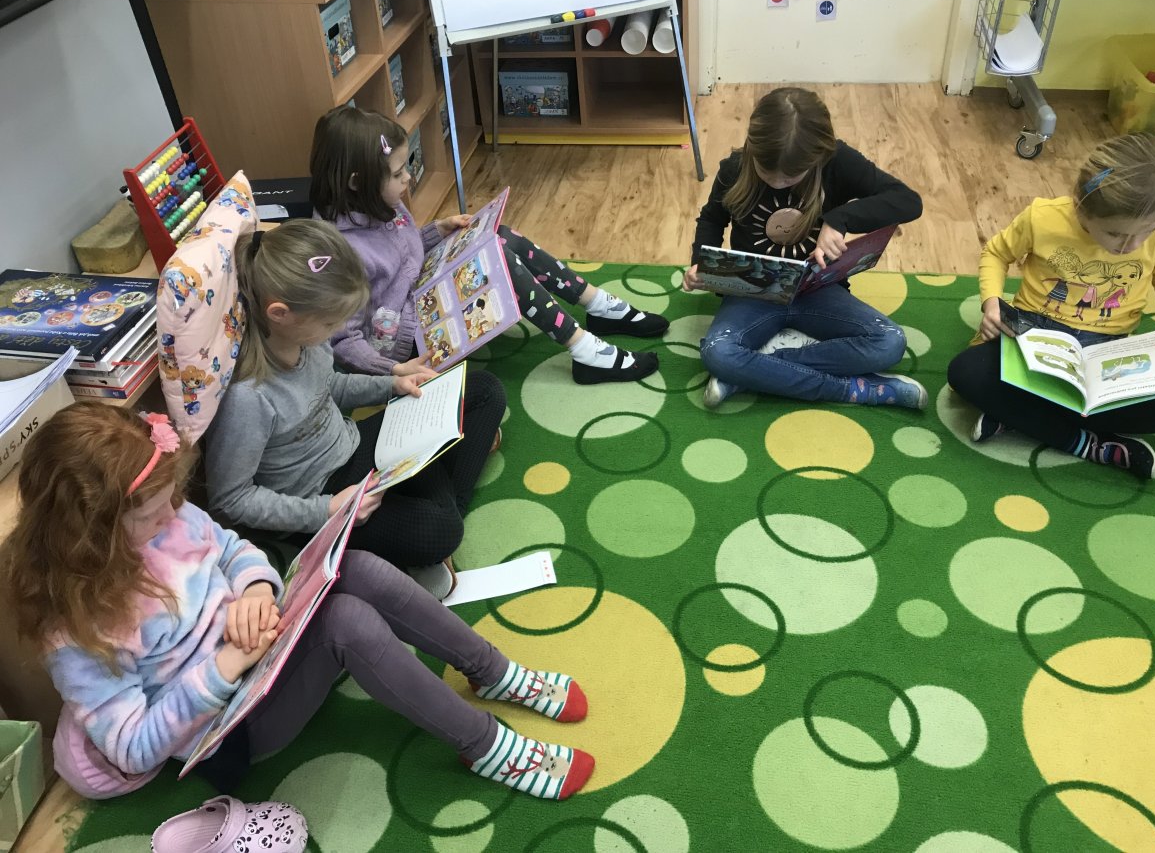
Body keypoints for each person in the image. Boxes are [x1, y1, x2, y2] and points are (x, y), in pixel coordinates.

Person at [2, 403, 594, 801]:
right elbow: (133, 749)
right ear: (90, 529)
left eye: (173, 501)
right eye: (152, 514)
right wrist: (224, 667)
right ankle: (484, 746)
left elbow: (233, 549)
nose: (172, 515)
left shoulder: (169, 518)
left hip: (262, 653)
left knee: (356, 566)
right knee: (348, 623)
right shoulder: (74, 633)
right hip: (228, 731)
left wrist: (255, 590)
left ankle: (492, 672)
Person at [204, 219, 505, 597]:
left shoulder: (305, 340)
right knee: (442, 529)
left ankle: (427, 513)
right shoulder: (247, 398)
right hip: (321, 498)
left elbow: (331, 385)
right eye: (330, 321)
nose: (336, 331)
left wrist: (392, 384)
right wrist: (328, 510)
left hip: (356, 447)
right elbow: (230, 500)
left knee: (485, 390)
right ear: (280, 314)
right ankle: (437, 505)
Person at [310, 105, 665, 385]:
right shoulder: (338, 254)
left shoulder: (378, 204)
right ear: (357, 182)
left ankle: (595, 304)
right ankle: (584, 349)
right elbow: (343, 342)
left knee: (501, 236)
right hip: (405, 347)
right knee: (498, 261)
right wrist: (392, 370)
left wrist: (436, 231)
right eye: (397, 173)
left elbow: (399, 254)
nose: (407, 178)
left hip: (421, 300)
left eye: (406, 167)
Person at [947, 133, 1155, 479]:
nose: (1131, 245)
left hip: (1108, 351)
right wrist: (992, 301)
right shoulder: (1044, 217)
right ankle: (1086, 443)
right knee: (965, 373)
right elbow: (996, 253)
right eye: (1115, 234)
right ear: (1081, 205)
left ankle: (1020, 415)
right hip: (1033, 336)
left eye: (1148, 232)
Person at [682, 87, 926, 409]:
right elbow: (712, 219)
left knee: (890, 342)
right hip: (752, 290)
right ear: (753, 148)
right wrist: (701, 263)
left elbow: (908, 201)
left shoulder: (837, 161)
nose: (777, 182)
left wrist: (840, 219)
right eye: (767, 172)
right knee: (718, 353)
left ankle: (753, 371)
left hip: (819, 289)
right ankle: (851, 390)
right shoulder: (735, 167)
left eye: (791, 176)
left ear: (819, 157)